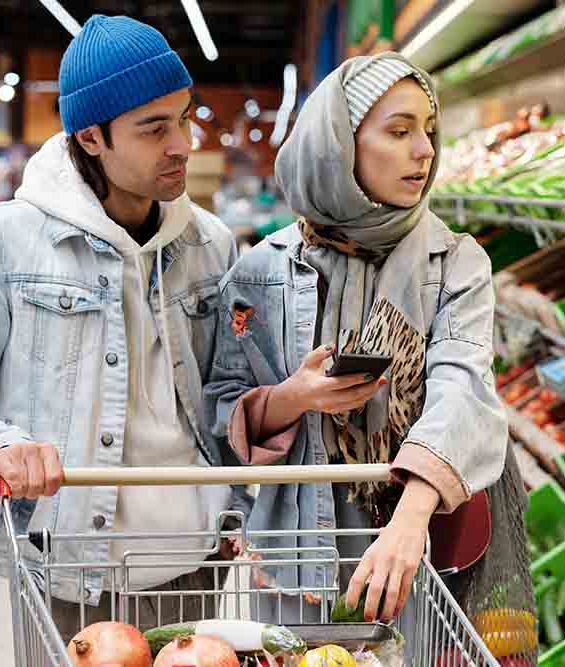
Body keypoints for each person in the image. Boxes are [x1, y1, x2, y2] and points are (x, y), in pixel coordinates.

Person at [0, 15, 243, 642]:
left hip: (195, 558)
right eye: (154, 128)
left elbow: (226, 392)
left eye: (183, 117)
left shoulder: (211, 243)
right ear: (91, 138)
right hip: (70, 565)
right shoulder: (2, 239)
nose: (182, 144)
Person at [205, 52, 535, 658]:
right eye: (399, 130)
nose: (424, 151)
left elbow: (463, 387)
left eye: (429, 132)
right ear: (339, 144)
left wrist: (409, 521)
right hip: (300, 547)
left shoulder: (456, 264)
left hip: (427, 540)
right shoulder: (260, 274)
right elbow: (220, 412)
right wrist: (292, 399)